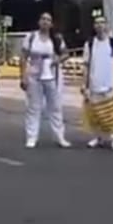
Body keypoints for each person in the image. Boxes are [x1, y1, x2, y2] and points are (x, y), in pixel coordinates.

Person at [20, 12, 71, 149]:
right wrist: (23, 76)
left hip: (52, 75)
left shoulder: (56, 38)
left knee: (55, 106)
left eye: (48, 20)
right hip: (34, 75)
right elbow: (23, 57)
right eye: (43, 19)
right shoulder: (31, 37)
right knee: (33, 107)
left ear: (52, 24)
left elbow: (66, 53)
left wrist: (57, 60)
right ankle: (31, 137)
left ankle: (60, 136)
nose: (45, 22)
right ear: (38, 22)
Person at [81, 16, 113, 151]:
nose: (99, 25)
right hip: (94, 84)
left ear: (106, 25)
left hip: (111, 84)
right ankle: (97, 137)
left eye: (102, 22)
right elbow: (86, 65)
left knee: (112, 113)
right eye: (97, 23)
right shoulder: (89, 44)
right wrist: (84, 83)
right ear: (94, 26)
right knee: (95, 113)